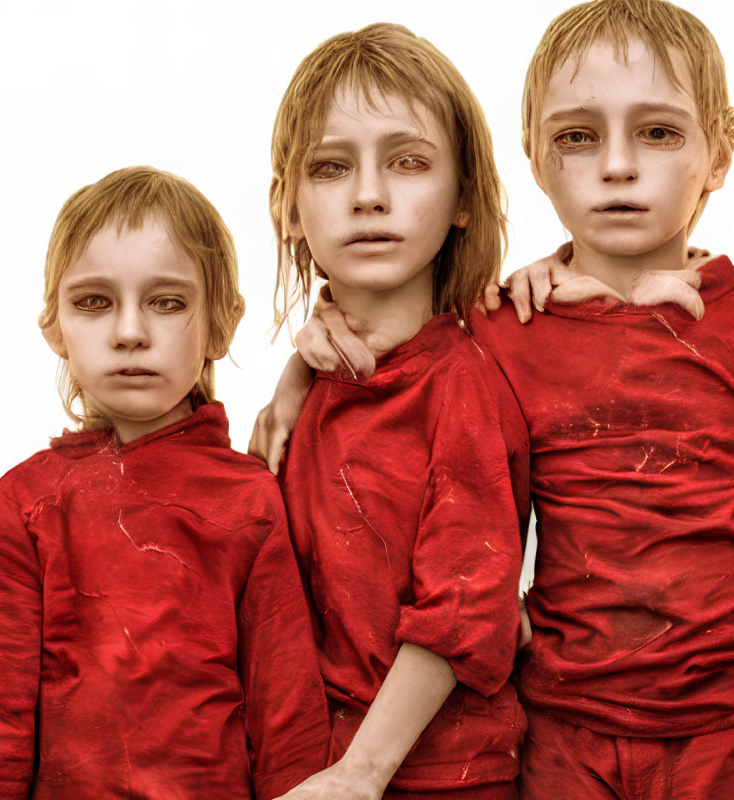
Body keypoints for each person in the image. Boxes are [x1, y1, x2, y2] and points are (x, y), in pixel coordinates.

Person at [256, 2, 734, 797]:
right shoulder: (507, 327)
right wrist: (297, 372)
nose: (617, 167)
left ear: (719, 151)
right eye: (579, 137)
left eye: (659, 133)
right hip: (564, 732)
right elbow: (396, 344)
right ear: (535, 160)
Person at [0, 166, 329, 800]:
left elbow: (287, 721)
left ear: (222, 323)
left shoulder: (250, 500)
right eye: (94, 302)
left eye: (167, 302)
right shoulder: (24, 502)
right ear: (54, 325)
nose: (129, 332)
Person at [265, 24, 530, 800]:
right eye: (330, 166)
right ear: (289, 207)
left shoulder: (464, 385)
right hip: (313, 766)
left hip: (440, 777)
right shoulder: (310, 387)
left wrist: (361, 772)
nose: (369, 193)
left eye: (408, 162)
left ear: (463, 202)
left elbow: (464, 605)